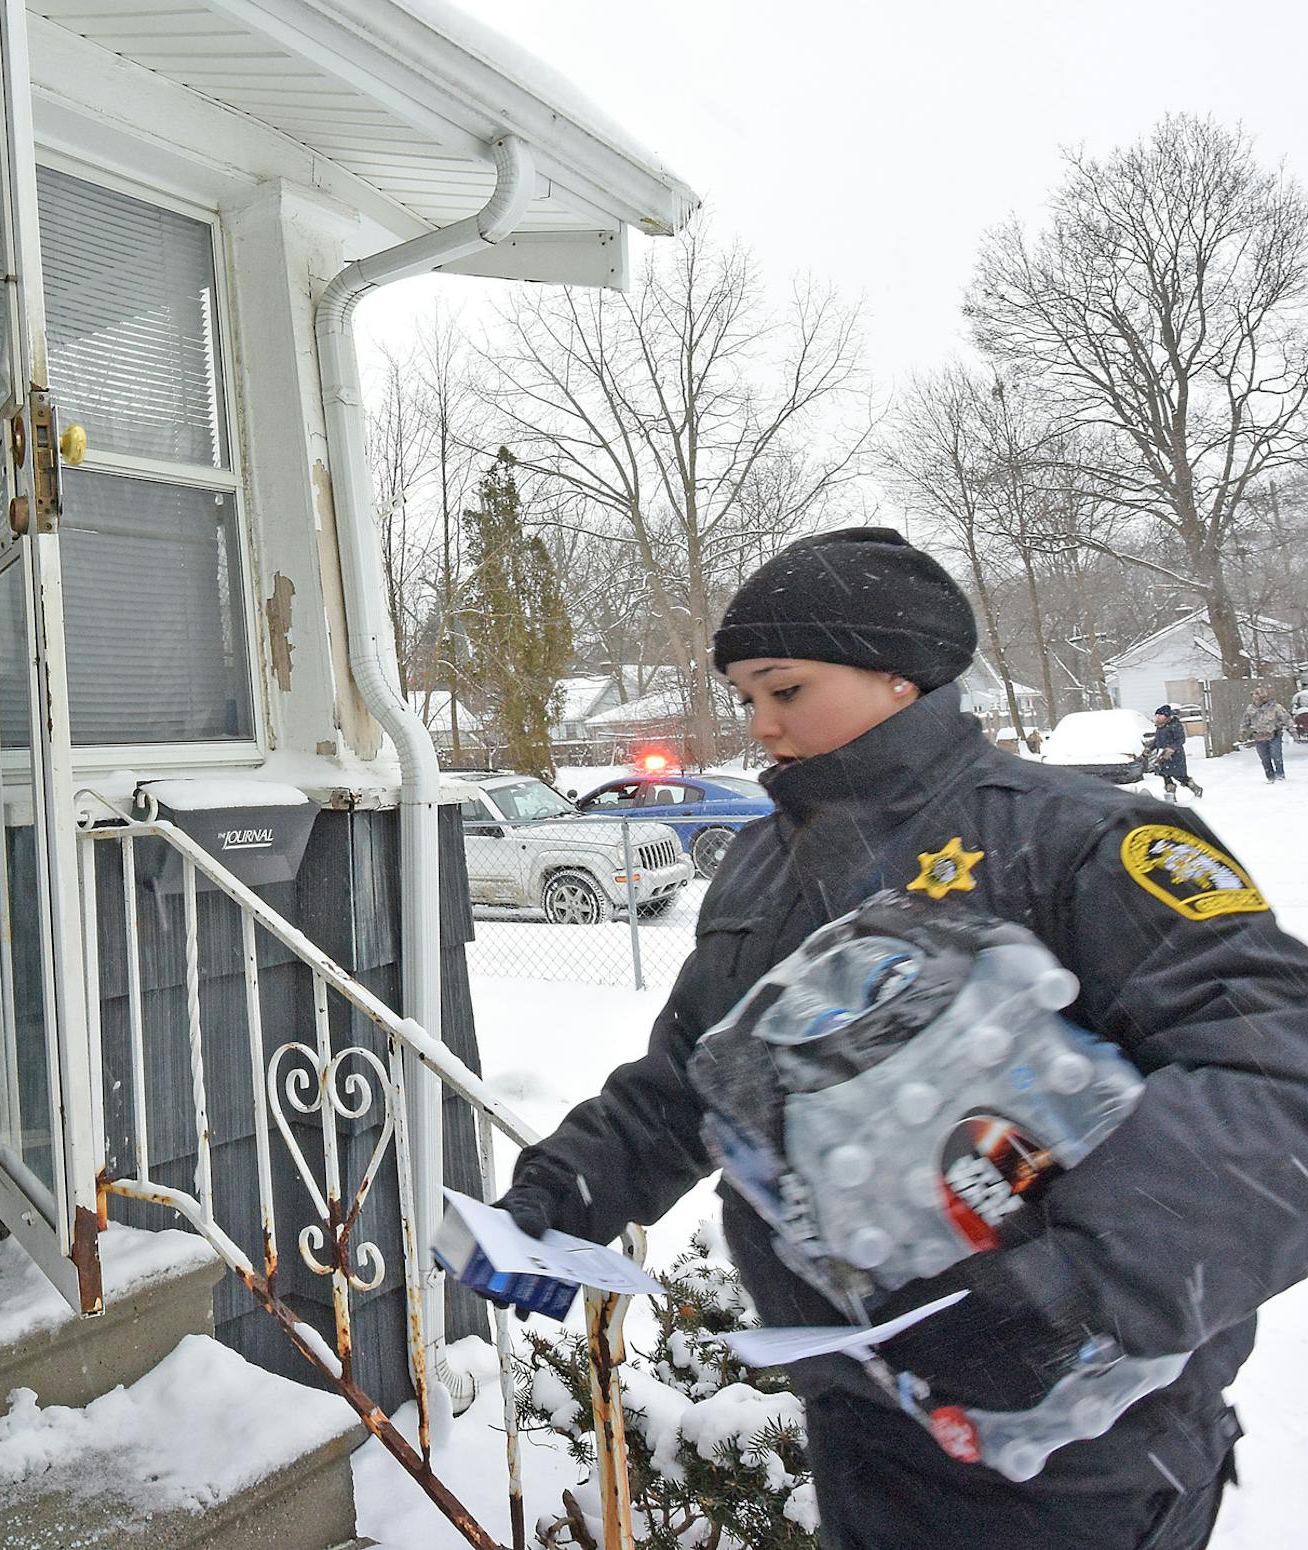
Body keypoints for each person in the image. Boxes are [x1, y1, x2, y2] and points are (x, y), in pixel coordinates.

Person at [490, 528, 1308, 1549]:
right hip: (867, 1422)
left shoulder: (1073, 839)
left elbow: (1278, 1079)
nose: (762, 725)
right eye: (748, 698)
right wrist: (562, 1194)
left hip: (1080, 1446)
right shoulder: (760, 866)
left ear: (898, 673)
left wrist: (1072, 1289)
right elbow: (693, 1080)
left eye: (785, 690)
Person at [1146, 704, 1203, 800]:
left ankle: (1195, 788)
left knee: (1180, 776)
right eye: (1157, 715)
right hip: (1163, 756)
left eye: (1160, 715)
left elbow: (1180, 740)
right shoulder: (1160, 727)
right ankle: (1171, 796)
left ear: (1166, 716)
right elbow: (1157, 740)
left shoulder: (1175, 725)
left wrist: (1171, 749)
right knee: (1166, 776)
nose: (1157, 717)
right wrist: (1149, 749)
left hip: (1175, 756)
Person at [1240, 685, 1288, 783]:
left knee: (1276, 755)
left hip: (1274, 735)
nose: (1255, 698)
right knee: (1264, 758)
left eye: (1257, 696)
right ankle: (1270, 776)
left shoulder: (1275, 707)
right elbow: (1245, 722)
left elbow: (1286, 718)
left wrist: (1293, 731)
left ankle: (1280, 775)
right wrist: (1242, 733)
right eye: (1254, 696)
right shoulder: (1250, 708)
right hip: (1259, 737)